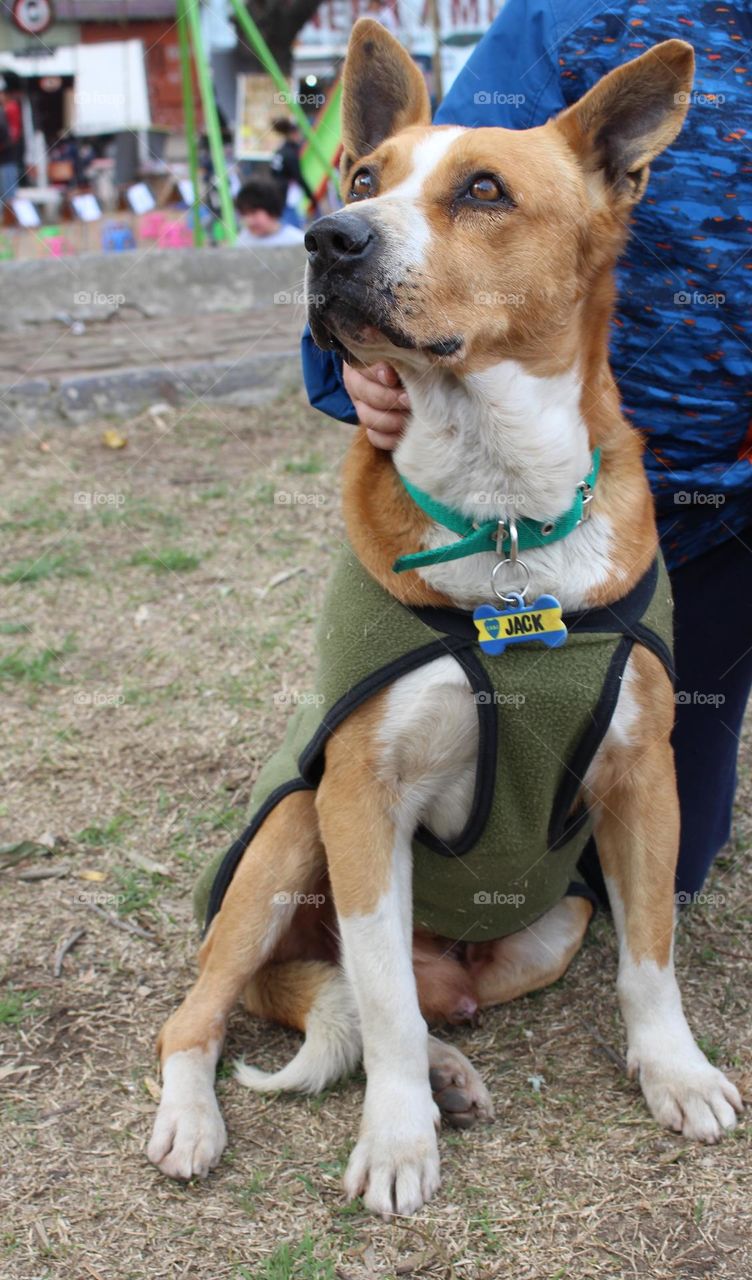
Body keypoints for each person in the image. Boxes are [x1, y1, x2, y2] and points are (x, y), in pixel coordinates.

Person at [301, 0, 752, 904]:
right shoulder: (573, 16)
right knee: (421, 807)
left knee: (649, 863)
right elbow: (421, 192)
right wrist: (351, 357)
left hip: (723, 522)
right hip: (535, 480)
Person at [270, 118, 318, 226]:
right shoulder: (290, 154)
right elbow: (298, 176)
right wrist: (311, 197)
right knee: (292, 226)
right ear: (293, 134)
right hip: (287, 196)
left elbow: (273, 173)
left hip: (278, 194)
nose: (300, 136)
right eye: (298, 133)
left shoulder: (279, 151)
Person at [235, 177, 305, 247]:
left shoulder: (297, 240)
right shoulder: (243, 241)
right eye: (244, 214)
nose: (249, 220)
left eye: (253, 212)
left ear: (272, 210)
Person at [0, 78, 22, 204]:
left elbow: (11, 135)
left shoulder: (10, 108)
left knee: (8, 196)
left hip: (7, 158)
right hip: (7, 157)